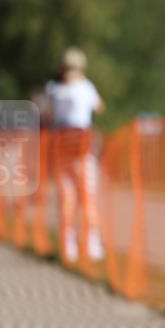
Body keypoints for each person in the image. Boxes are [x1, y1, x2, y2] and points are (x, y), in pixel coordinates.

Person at [45, 47, 105, 264]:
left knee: (66, 197)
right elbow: (99, 107)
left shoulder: (53, 89)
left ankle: (68, 243)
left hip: (61, 146)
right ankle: (92, 243)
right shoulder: (85, 87)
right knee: (87, 197)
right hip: (81, 148)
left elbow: (49, 114)